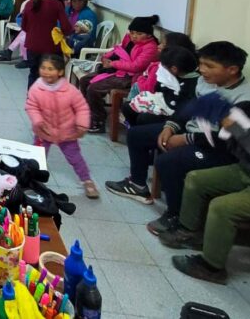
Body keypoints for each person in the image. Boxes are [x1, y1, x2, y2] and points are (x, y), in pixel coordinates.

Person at [105, 41, 250, 235]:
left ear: (232, 69)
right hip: (191, 133)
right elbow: (187, 109)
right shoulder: (206, 83)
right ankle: (138, 185)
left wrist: (186, 139)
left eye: (209, 66)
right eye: (201, 64)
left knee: (169, 161)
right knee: (137, 134)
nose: (202, 70)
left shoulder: (244, 99)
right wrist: (170, 127)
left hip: (219, 149)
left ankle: (175, 215)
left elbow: (227, 139)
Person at [157, 94, 250, 284]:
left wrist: (234, 125)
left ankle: (211, 268)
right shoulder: (243, 111)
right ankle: (189, 232)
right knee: (196, 179)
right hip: (245, 169)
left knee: (222, 207)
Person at [26, 55, 98, 198]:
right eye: (43, 68)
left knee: (75, 158)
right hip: (43, 131)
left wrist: (82, 124)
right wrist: (38, 121)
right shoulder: (36, 88)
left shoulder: (70, 90)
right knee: (37, 157)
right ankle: (32, 180)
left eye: (50, 69)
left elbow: (82, 107)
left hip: (67, 132)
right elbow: (31, 106)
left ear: (60, 72)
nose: (46, 72)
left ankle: (87, 180)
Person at [79, 15, 160, 133]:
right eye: (132, 32)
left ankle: (98, 121)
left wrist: (113, 64)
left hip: (132, 76)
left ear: (149, 34)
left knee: (94, 88)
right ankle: (91, 111)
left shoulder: (150, 47)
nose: (134, 36)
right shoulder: (129, 39)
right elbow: (118, 49)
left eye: (139, 33)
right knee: (84, 80)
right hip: (118, 70)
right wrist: (106, 58)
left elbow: (136, 66)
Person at [121, 46, 199, 127]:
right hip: (160, 103)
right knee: (127, 107)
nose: (162, 68)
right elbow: (157, 89)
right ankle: (135, 130)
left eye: (164, 67)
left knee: (144, 118)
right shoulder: (172, 74)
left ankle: (140, 133)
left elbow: (181, 108)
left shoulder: (193, 83)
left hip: (174, 115)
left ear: (174, 69)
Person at [20, 0, 72, 88]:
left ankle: (32, 101)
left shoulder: (29, 4)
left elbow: (24, 27)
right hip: (51, 48)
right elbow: (66, 28)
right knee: (52, 78)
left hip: (32, 46)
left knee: (33, 74)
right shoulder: (57, 4)